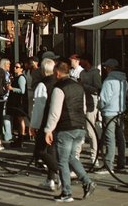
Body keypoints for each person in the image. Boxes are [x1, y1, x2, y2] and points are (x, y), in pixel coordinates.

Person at [43, 61, 96, 202]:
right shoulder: (79, 87)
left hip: (65, 127)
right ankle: (87, 182)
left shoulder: (59, 88)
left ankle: (67, 193)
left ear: (58, 72)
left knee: (63, 161)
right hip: (79, 126)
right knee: (72, 158)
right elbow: (83, 108)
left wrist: (48, 129)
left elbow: (55, 111)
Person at [30, 57, 60, 191]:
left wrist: (33, 125)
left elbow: (38, 107)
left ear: (42, 70)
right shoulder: (59, 83)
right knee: (52, 150)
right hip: (57, 120)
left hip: (45, 121)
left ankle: (58, 171)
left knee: (40, 150)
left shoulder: (43, 85)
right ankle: (51, 178)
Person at [98, 58, 128, 173]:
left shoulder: (108, 81)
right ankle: (121, 163)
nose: (105, 69)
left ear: (110, 68)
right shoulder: (124, 80)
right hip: (120, 111)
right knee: (120, 138)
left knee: (110, 138)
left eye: (106, 67)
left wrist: (100, 107)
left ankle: (109, 165)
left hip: (109, 112)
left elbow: (104, 99)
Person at [77, 55, 102, 168]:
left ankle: (94, 156)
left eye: (81, 60)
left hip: (92, 103)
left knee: (90, 130)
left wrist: (84, 86)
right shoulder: (82, 73)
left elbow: (97, 89)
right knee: (80, 129)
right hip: (82, 103)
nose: (79, 62)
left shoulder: (95, 73)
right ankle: (76, 156)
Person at [7, 62, 28, 148]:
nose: (15, 68)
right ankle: (20, 138)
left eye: (17, 67)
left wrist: (12, 88)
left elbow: (22, 91)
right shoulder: (16, 77)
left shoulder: (21, 78)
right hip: (18, 102)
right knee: (19, 120)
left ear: (21, 69)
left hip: (20, 102)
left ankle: (21, 138)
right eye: (14, 66)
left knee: (21, 120)